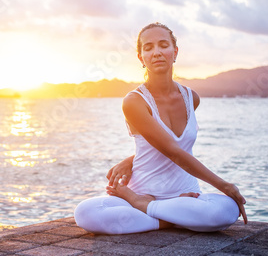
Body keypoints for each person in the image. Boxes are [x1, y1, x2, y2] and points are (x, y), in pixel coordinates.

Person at [74, 22, 247, 234]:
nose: (156, 52)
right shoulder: (134, 102)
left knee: (226, 211)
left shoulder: (191, 98)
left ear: (175, 52)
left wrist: (131, 160)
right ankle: (170, 217)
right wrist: (225, 186)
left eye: (163, 45)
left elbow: (172, 146)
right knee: (86, 212)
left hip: (186, 194)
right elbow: (173, 151)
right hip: (144, 191)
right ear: (141, 58)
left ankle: (147, 210)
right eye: (148, 48)